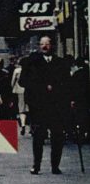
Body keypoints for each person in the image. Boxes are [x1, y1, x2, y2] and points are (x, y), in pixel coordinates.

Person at [22, 35, 74, 174]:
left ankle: (55, 165)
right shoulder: (33, 62)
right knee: (38, 137)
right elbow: (23, 82)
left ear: (53, 46)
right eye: (42, 44)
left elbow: (68, 84)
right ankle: (36, 165)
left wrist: (67, 98)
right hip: (39, 107)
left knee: (58, 136)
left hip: (56, 107)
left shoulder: (60, 63)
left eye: (47, 44)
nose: (44, 46)